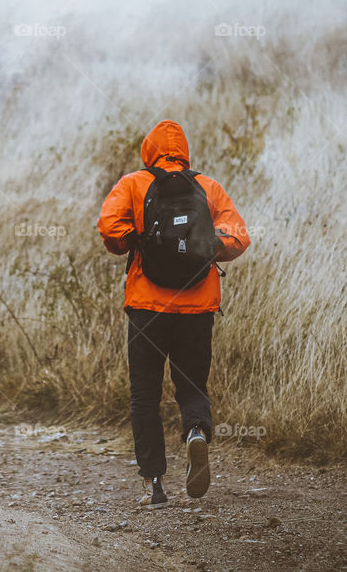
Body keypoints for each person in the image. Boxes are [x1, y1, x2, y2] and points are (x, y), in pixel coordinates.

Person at [97, 119, 250, 508]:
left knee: (144, 395)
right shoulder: (208, 187)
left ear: (149, 150)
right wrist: (197, 246)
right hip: (197, 307)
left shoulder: (134, 183)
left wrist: (145, 240)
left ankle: (155, 485)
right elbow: (239, 239)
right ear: (184, 151)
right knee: (192, 386)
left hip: (147, 307)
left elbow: (110, 230)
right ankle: (196, 432)